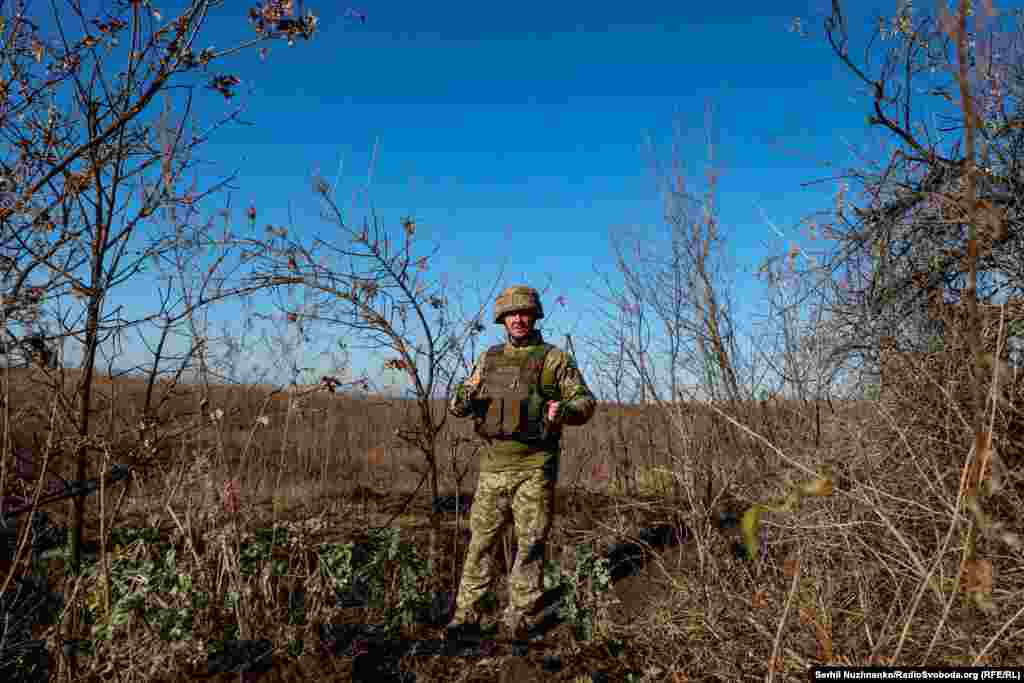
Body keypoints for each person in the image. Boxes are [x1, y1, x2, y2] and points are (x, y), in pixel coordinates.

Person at [446, 285, 596, 641]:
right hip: (493, 467)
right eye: (511, 314)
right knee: (481, 543)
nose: (518, 319)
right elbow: (458, 405)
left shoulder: (554, 359)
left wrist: (565, 411)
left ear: (534, 316)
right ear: (502, 319)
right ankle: (467, 615)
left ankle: (521, 615)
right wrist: (464, 396)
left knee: (530, 543)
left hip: (534, 466)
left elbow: (585, 402)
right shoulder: (489, 358)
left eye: (524, 313)